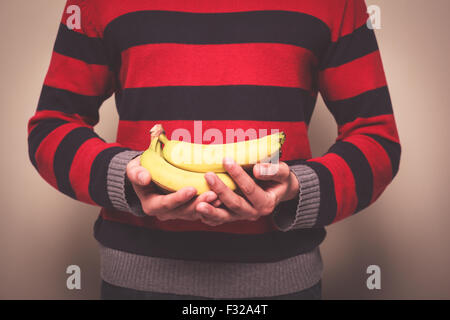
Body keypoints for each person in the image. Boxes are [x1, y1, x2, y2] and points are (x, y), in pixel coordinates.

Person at [27, 0, 401, 300]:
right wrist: (128, 177)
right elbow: (51, 127)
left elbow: (377, 138)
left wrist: (297, 189)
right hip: (136, 283)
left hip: (283, 284)